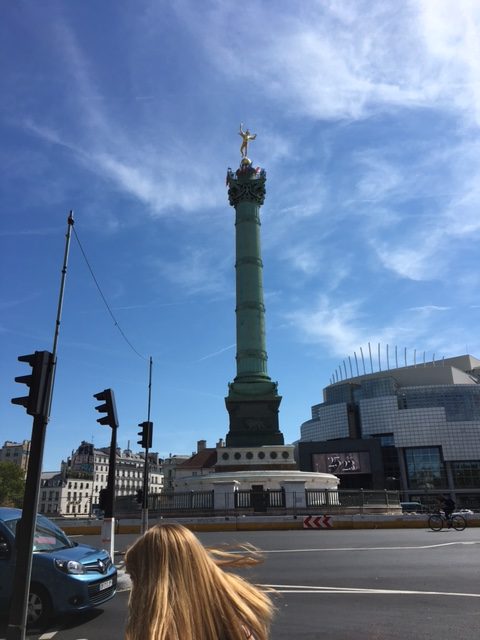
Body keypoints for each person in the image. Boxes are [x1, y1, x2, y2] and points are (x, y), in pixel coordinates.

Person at [124, 523, 274, 640]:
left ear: (156, 585)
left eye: (134, 578)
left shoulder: (156, 632)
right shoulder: (237, 627)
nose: (133, 591)